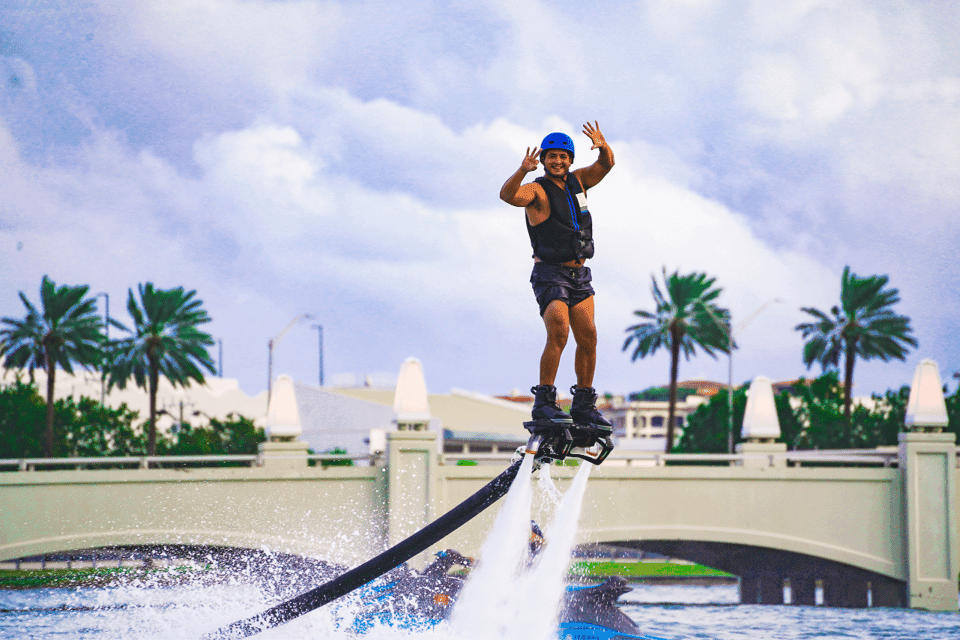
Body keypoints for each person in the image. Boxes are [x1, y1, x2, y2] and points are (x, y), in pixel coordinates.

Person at [499, 122, 614, 429]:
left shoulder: (580, 181)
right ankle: (545, 402)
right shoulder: (537, 189)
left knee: (588, 336)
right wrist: (523, 170)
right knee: (559, 331)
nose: (558, 161)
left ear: (570, 159)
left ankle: (584, 404)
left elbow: (606, 166)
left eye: (563, 156)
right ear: (545, 160)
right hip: (550, 273)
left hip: (579, 274)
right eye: (552, 156)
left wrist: (602, 146)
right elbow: (508, 196)